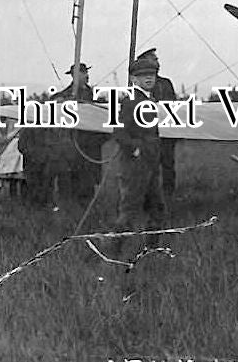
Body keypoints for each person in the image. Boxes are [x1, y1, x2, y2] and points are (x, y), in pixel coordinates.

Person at [111, 57, 168, 258]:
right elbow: (119, 133)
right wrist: (135, 149)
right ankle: (114, 253)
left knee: (157, 208)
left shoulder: (148, 100)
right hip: (135, 165)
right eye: (143, 76)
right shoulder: (131, 102)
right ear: (134, 79)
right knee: (129, 210)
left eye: (151, 75)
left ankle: (152, 251)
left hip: (151, 163)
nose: (149, 79)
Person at [54, 62, 100, 203]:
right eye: (82, 73)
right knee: (68, 178)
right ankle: (67, 207)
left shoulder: (94, 96)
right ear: (74, 76)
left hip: (90, 144)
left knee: (88, 181)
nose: (86, 76)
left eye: (86, 73)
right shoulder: (64, 95)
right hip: (70, 143)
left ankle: (85, 205)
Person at [136, 48, 178, 196]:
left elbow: (174, 105)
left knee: (167, 164)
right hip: (148, 133)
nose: (157, 62)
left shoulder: (165, 83)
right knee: (149, 165)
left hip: (166, 132)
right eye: (154, 59)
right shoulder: (141, 84)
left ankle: (168, 193)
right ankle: (149, 195)